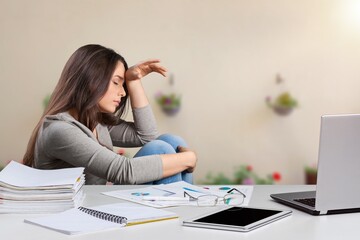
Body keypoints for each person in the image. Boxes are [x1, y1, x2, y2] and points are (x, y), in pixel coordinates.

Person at [23, 44, 197, 185]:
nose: (123, 93)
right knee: (161, 149)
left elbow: (146, 136)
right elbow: (124, 172)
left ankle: (184, 213)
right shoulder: (60, 130)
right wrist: (189, 158)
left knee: (172, 142)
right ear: (92, 81)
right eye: (116, 83)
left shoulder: (96, 122)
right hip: (80, 213)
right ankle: (181, 216)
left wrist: (133, 81)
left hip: (99, 202)